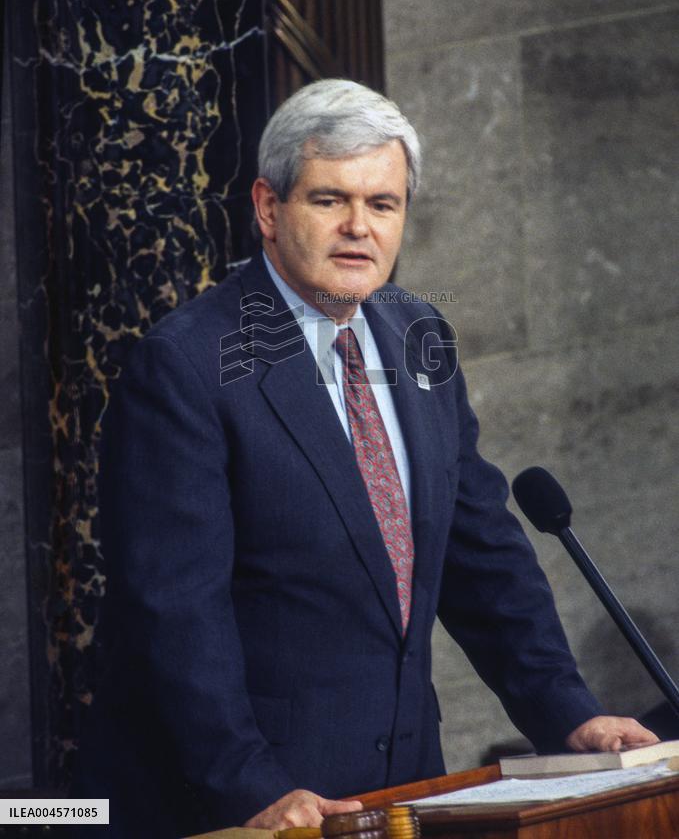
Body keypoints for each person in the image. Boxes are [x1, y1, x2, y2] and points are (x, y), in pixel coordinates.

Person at [74, 79, 656, 837]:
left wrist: (568, 714)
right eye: (328, 200)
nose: (358, 228)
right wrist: (252, 787)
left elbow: (481, 557)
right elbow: (175, 614)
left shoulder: (417, 334)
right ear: (267, 208)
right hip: (258, 805)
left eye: (382, 204)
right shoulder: (187, 367)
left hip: (404, 789)